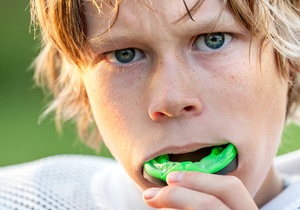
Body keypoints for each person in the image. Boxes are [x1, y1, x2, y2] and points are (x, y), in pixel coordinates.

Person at [1, 0, 300, 209]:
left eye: (213, 39)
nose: (171, 100)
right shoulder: (25, 199)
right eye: (126, 54)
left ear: (288, 56)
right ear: (81, 85)